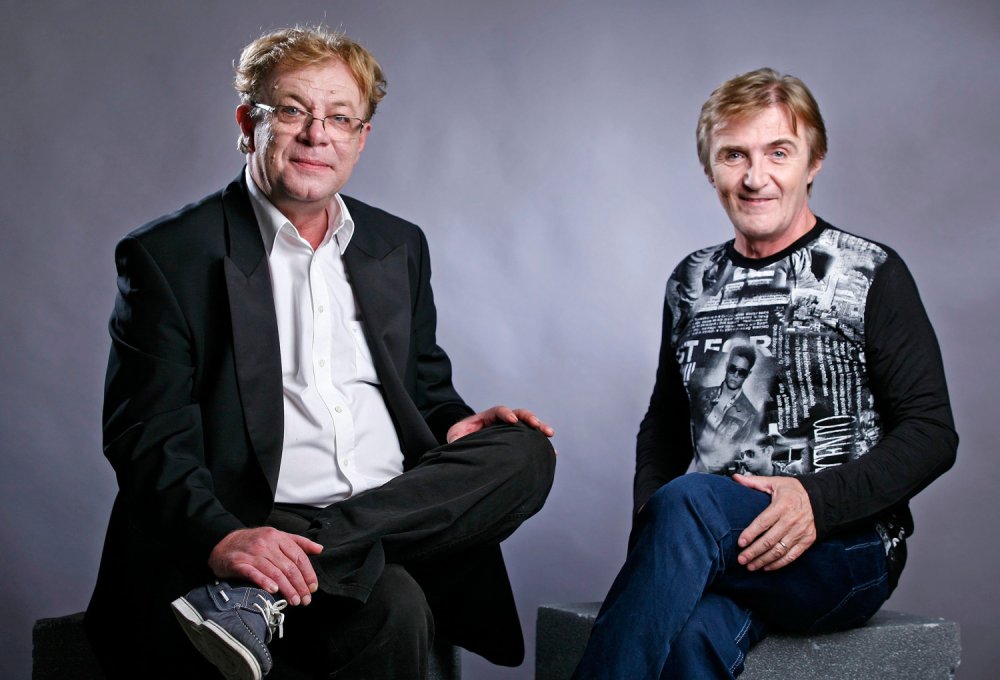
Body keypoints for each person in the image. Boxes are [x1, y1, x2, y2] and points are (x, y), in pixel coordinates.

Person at [85, 26, 556, 680]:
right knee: (394, 605)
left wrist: (454, 424)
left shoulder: (397, 244)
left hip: (388, 511)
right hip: (253, 518)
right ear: (248, 124)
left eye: (340, 117)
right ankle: (268, 573)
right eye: (292, 111)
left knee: (526, 450)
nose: (316, 134)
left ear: (361, 138)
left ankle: (260, 593)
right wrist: (226, 538)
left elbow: (424, 387)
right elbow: (147, 436)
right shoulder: (171, 255)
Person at [572, 67, 957, 679]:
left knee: (689, 502)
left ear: (814, 162)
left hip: (844, 548)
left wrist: (816, 502)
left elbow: (932, 433)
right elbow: (665, 423)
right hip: (721, 541)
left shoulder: (870, 271)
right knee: (692, 636)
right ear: (710, 169)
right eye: (734, 155)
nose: (755, 177)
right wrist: (656, 529)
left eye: (779, 152)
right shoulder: (691, 280)